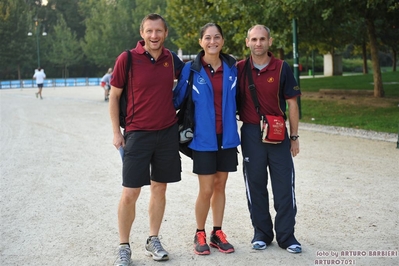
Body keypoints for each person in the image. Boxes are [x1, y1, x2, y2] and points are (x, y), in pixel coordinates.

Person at [109, 13, 184, 266]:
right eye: (149, 31)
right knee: (130, 192)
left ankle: (153, 239)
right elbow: (114, 96)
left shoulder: (172, 60)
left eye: (159, 31)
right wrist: (116, 132)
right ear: (142, 33)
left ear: (165, 33)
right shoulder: (127, 59)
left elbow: (194, 79)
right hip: (137, 134)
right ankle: (123, 246)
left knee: (159, 188)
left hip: (166, 133)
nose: (154, 36)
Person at [174, 23, 240, 256]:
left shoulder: (233, 67)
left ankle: (217, 233)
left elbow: (241, 99)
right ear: (201, 42)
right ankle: (199, 232)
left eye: (217, 37)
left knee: (220, 186)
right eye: (208, 38)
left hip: (228, 138)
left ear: (223, 40)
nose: (213, 41)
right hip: (203, 139)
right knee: (206, 189)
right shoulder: (190, 70)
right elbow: (176, 100)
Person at [237, 25, 302, 254]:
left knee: (284, 185)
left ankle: (287, 236)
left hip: (277, 133)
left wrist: (294, 137)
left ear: (270, 41)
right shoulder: (239, 69)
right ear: (247, 42)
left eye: (262, 39)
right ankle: (261, 233)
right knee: (255, 185)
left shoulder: (282, 67)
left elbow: (292, 104)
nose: (258, 43)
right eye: (254, 39)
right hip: (251, 134)